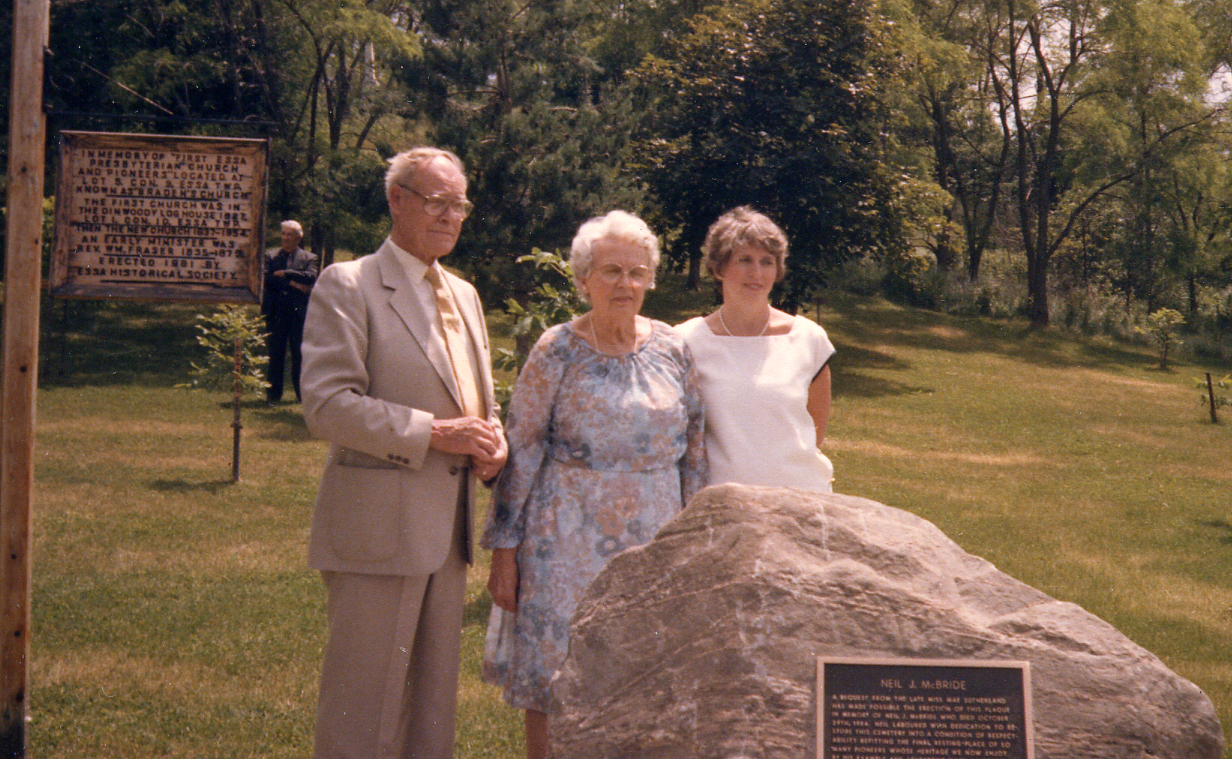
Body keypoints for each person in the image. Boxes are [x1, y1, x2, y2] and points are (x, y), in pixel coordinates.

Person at [299, 147, 507, 759]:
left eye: (460, 205)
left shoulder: (465, 295)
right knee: (363, 707)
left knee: (431, 710)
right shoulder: (349, 284)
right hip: (378, 532)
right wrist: (434, 433)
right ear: (397, 199)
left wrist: (494, 443)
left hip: (448, 537)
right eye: (437, 202)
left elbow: (476, 400)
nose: (450, 216)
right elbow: (327, 404)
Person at [482, 210, 707, 759]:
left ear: (650, 279)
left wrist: (695, 541)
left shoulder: (674, 349)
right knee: (554, 680)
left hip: (654, 543)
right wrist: (504, 554)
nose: (625, 284)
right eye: (611, 271)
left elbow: (695, 452)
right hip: (563, 541)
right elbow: (522, 451)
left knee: (643, 678)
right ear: (583, 279)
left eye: (636, 272)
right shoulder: (556, 349)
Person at [675, 206, 836, 493]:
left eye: (767, 262)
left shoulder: (809, 339)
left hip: (800, 499)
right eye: (744, 260)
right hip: (721, 503)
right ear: (718, 268)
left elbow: (814, 435)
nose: (757, 273)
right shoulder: (686, 341)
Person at [262, 219, 319, 403]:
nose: (286, 238)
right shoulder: (270, 256)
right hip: (275, 311)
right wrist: (293, 283)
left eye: (290, 235)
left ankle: (302, 395)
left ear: (298, 238)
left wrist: (286, 273)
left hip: (298, 313)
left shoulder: (310, 258)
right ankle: (273, 396)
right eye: (283, 234)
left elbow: (310, 276)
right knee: (275, 354)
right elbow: (267, 279)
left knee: (299, 355)